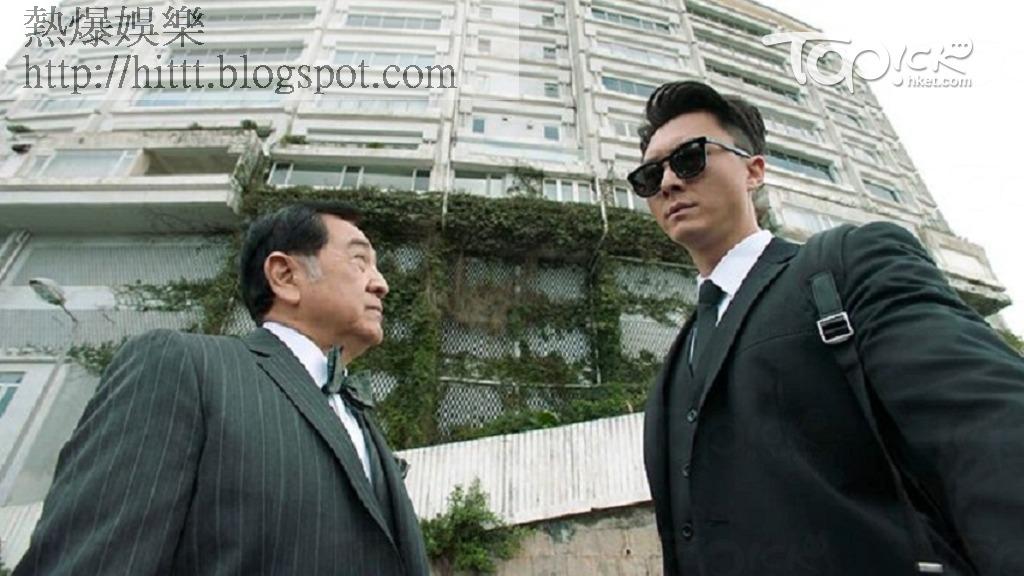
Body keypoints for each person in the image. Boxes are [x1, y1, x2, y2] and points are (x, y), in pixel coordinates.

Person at [634, 81, 1024, 575]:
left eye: (689, 158)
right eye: (650, 175)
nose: (668, 182)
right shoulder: (675, 363)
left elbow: (987, 429)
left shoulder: (846, 265)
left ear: (754, 171)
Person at [15, 202, 430, 575]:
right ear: (285, 276)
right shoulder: (184, 366)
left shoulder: (360, 417)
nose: (381, 284)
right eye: (359, 261)